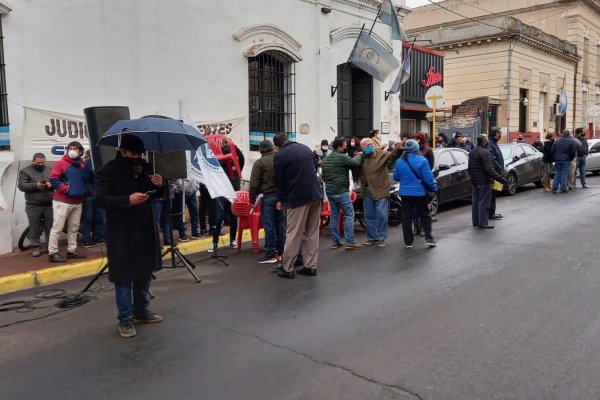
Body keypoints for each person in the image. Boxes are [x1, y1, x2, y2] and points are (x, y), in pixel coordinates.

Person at [94, 134, 165, 338]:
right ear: (122, 151)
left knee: (144, 272)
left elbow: (157, 194)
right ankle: (125, 318)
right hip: (122, 231)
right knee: (124, 277)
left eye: (139, 154)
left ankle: (141, 310)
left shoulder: (146, 167)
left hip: (144, 228)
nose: (137, 157)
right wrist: (128, 200)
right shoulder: (108, 171)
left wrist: (160, 184)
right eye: (132, 153)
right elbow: (101, 199)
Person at [273, 133, 323, 279]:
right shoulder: (305, 148)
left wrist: (281, 199)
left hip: (298, 198)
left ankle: (287, 268)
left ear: (277, 146)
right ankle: (310, 266)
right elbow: (314, 168)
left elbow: (279, 181)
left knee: (293, 233)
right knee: (312, 233)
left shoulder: (280, 156)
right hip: (316, 195)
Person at [47, 141, 88, 262]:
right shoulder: (61, 163)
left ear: (80, 151)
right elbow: (53, 179)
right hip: (63, 201)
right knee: (57, 227)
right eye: (70, 148)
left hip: (77, 201)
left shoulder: (82, 165)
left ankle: (71, 250)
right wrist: (67, 190)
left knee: (74, 227)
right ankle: (52, 252)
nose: (72, 150)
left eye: (75, 148)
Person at [393, 139, 438, 247]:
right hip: (419, 193)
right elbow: (428, 178)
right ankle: (429, 238)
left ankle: (408, 242)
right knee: (425, 215)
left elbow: (396, 177)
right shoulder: (422, 160)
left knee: (406, 217)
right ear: (416, 148)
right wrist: (434, 188)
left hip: (405, 193)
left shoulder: (399, 161)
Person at [359, 137, 403, 247]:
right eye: (367, 145)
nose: (370, 146)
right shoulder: (360, 157)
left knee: (381, 214)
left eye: (371, 144)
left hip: (380, 188)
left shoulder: (380, 154)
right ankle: (372, 238)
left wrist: (400, 147)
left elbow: (393, 155)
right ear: (362, 147)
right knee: (369, 215)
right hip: (367, 189)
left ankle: (382, 237)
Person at [322, 136, 363, 250]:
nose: (346, 147)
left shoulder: (326, 159)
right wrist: (360, 154)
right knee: (349, 215)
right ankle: (349, 242)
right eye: (345, 146)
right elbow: (355, 163)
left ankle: (335, 242)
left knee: (334, 216)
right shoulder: (342, 157)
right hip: (341, 191)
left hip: (330, 191)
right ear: (339, 147)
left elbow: (323, 177)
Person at [249, 140, 285, 264]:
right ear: (272, 148)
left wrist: (252, 199)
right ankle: (281, 251)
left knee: (269, 226)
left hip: (268, 197)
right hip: (281, 197)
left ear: (260, 150)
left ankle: (270, 252)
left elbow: (254, 183)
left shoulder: (259, 163)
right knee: (280, 224)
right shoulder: (280, 159)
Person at [209, 138, 244, 251]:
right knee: (218, 218)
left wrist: (235, 147)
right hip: (222, 194)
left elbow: (242, 157)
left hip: (234, 193)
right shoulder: (220, 163)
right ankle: (214, 242)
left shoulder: (238, 163)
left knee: (233, 218)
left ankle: (232, 240)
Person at [18, 153, 54, 257]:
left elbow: (56, 182)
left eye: (43, 163)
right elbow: (21, 186)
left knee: (50, 226)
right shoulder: (25, 171)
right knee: (34, 227)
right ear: (33, 161)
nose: (40, 164)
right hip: (33, 204)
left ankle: (49, 247)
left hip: (49, 204)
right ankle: (36, 247)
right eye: (38, 163)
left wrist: (51, 184)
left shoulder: (50, 170)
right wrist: (36, 185)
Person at [468, 134, 506, 229]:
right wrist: (500, 179)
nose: (488, 141)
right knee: (484, 202)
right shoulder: (485, 152)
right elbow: (489, 169)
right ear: (484, 141)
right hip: (484, 181)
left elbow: (470, 168)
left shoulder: (472, 151)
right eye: (486, 140)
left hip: (474, 181)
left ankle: (475, 221)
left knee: (475, 201)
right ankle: (483, 223)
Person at [80, 149, 106, 248]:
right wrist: (93, 193)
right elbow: (86, 180)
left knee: (100, 217)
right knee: (88, 217)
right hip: (89, 196)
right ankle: (86, 239)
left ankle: (98, 237)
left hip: (101, 195)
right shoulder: (88, 164)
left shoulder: (103, 163)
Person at [551, 129, 578, 194]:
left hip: (557, 159)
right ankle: (563, 188)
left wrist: (554, 158)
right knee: (564, 174)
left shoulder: (557, 140)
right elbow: (573, 152)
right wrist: (570, 158)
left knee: (557, 173)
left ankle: (554, 188)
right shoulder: (571, 141)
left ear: (563, 134)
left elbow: (552, 150)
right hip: (566, 160)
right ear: (569, 134)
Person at [487, 127, 504, 220]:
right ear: (496, 134)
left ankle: (492, 212)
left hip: (496, 173)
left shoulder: (494, 143)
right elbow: (493, 159)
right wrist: (499, 167)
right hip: (494, 174)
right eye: (500, 133)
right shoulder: (491, 144)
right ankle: (490, 213)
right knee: (492, 193)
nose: (500, 135)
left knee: (494, 193)